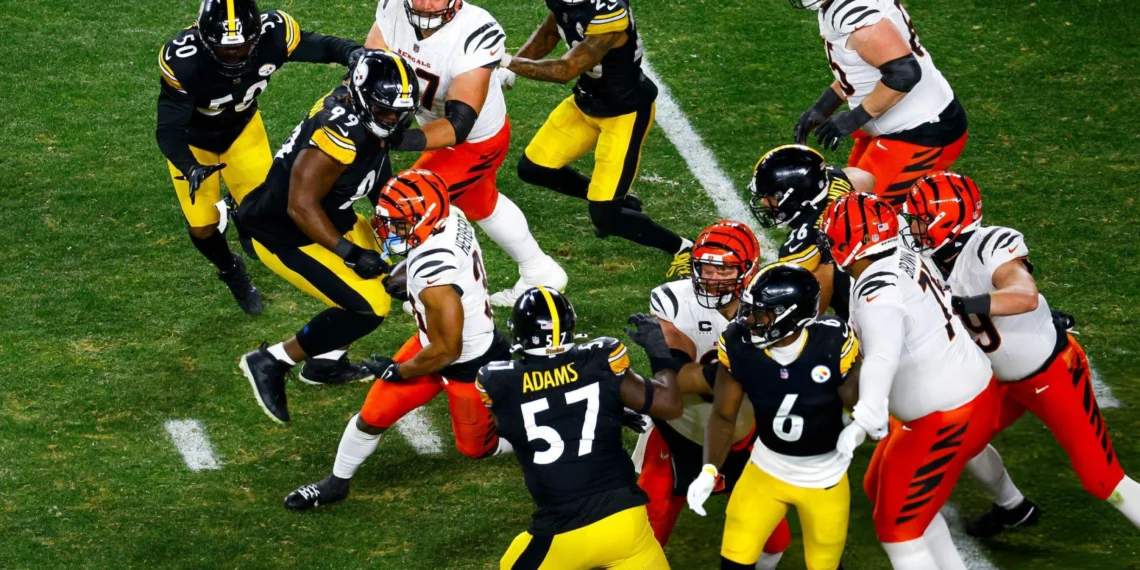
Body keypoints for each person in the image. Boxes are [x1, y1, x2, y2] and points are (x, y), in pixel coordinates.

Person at [902, 172, 1140, 536]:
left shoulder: (990, 246)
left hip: (1050, 374)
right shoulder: (929, 260)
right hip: (992, 376)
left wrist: (958, 304)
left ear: (944, 221)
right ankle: (1013, 507)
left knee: (1102, 480)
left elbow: (1024, 295)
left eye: (919, 219)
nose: (913, 227)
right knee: (953, 439)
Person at [284, 168, 516, 509]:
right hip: (433, 341)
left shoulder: (435, 276)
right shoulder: (449, 216)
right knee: (372, 416)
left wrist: (400, 371)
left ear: (425, 218)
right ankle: (336, 483)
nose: (389, 231)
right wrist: (406, 280)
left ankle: (531, 425)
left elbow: (448, 350)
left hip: (467, 360)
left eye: (399, 224)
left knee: (477, 449)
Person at [236, 51, 419, 422]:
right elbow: (300, 206)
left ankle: (326, 361)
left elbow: (374, 164)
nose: (393, 120)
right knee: (368, 306)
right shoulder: (339, 134)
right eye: (385, 112)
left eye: (400, 112)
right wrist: (349, 252)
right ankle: (271, 360)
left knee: (388, 281)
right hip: (285, 231)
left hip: (332, 213)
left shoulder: (360, 107)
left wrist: (395, 219)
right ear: (363, 99)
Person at [818, 192, 998, 569]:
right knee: (882, 490)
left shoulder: (877, 292)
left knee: (898, 530)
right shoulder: (906, 254)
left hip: (946, 417)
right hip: (965, 396)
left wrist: (868, 411)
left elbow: (883, 356)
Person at [156, 0, 362, 314]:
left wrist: (353, 52)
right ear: (204, 40)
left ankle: (241, 213)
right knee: (203, 226)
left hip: (242, 131)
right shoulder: (184, 61)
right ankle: (230, 269)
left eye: (242, 46)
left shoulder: (274, 34)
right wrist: (190, 166)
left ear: (257, 35)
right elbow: (169, 128)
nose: (235, 55)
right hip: (194, 144)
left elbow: (321, 46)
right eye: (226, 50)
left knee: (263, 213)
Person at [364, 0, 567, 306]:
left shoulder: (475, 31)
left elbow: (458, 125)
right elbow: (372, 65)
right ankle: (540, 271)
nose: (428, 4)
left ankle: (434, 287)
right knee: (480, 202)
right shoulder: (392, 9)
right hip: (438, 130)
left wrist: (394, 138)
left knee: (408, 204)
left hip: (475, 141)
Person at [478, 287, 682, 569]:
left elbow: (512, 425)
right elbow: (670, 404)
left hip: (563, 534)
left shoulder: (498, 381)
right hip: (626, 527)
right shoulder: (600, 359)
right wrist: (659, 352)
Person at [632, 220, 792, 568]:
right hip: (679, 424)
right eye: (706, 267)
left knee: (773, 537)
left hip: (744, 427)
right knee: (647, 523)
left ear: (748, 270)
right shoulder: (672, 299)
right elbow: (676, 379)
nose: (713, 277)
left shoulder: (771, 307)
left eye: (725, 269)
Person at [502, 0, 693, 278]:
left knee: (606, 217)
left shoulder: (608, 12)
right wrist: (510, 67)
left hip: (625, 113)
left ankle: (682, 247)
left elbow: (566, 70)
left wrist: (510, 62)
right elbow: (550, 31)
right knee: (533, 168)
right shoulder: (568, 3)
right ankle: (619, 200)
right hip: (587, 102)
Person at [689, 263, 859, 570]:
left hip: (824, 478)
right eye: (751, 310)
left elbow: (860, 404)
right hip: (766, 470)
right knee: (733, 563)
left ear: (791, 317)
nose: (749, 320)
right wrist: (709, 470)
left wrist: (862, 421)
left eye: (762, 313)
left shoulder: (830, 344)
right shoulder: (739, 344)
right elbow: (724, 416)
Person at [789, 0, 967, 208]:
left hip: (920, 131)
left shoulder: (858, 18)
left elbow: (904, 74)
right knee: (845, 204)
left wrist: (855, 117)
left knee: (865, 216)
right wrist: (824, 106)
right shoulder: (843, 9)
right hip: (896, 124)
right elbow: (862, 68)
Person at [747, 144, 874, 319]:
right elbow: (866, 178)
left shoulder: (802, 246)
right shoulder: (836, 183)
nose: (763, 203)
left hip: (871, 310)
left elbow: (813, 311)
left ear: (792, 196)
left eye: (769, 196)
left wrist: (827, 257)